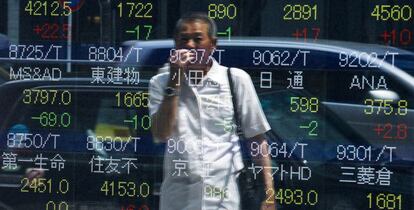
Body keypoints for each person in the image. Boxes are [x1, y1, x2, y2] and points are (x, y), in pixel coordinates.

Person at [149, 12, 276, 210]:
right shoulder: (161, 83)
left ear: (213, 45)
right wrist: (174, 80)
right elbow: (161, 133)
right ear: (176, 44)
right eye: (184, 40)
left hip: (223, 195)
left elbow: (257, 140)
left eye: (198, 39)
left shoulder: (235, 80)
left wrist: (269, 194)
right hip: (178, 196)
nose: (190, 45)